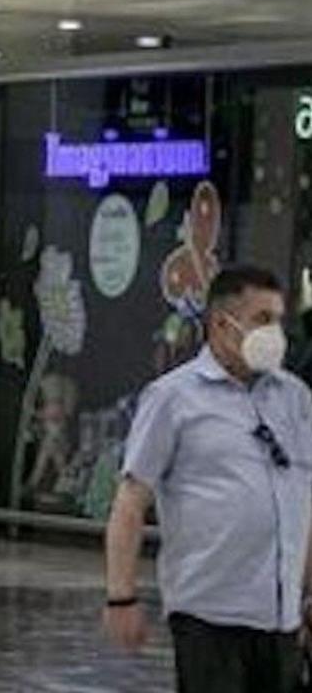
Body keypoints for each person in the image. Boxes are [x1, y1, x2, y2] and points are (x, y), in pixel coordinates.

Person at [103, 265, 312, 693]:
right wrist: (120, 596)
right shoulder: (173, 399)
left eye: (279, 320)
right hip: (210, 617)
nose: (276, 333)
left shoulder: (295, 398)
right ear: (221, 323)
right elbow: (130, 501)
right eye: (263, 320)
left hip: (282, 618)